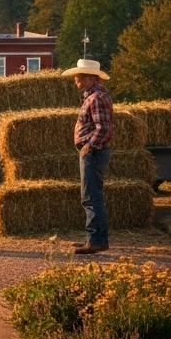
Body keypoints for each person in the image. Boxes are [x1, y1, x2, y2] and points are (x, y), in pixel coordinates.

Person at [63, 58, 113, 254]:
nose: (76, 79)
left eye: (80, 76)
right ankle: (94, 238)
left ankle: (96, 240)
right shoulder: (94, 95)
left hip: (93, 152)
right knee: (92, 196)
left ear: (91, 78)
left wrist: (89, 146)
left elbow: (104, 128)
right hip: (93, 151)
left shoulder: (96, 98)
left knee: (91, 198)